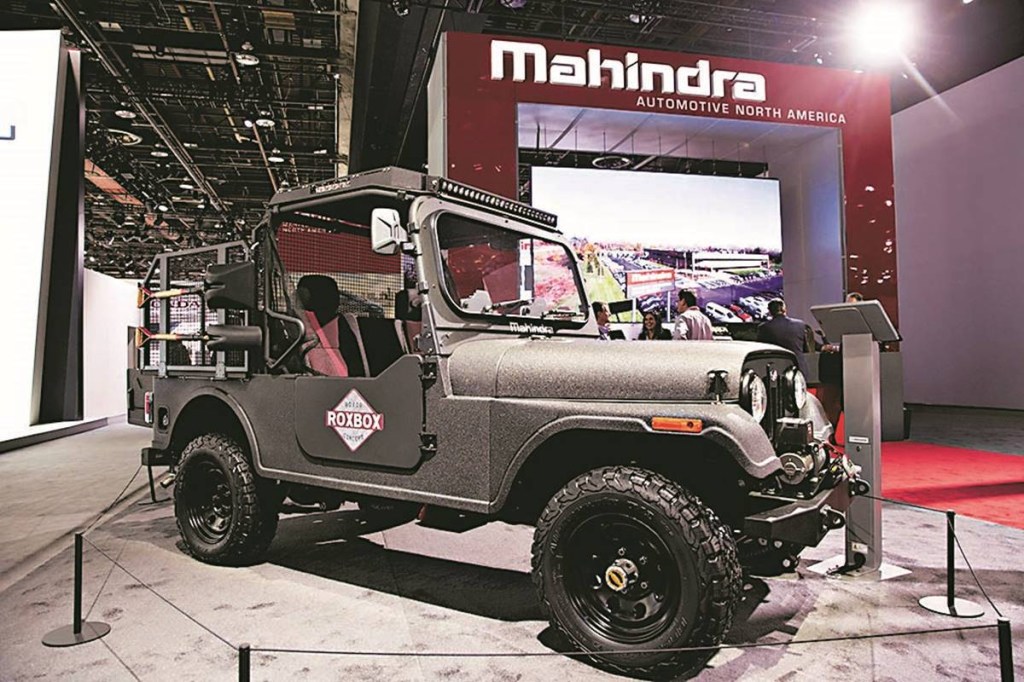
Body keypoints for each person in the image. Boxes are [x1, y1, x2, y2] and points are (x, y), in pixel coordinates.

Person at [756, 298, 811, 377]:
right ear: (784, 309)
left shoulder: (763, 328)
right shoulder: (800, 325)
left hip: (775, 372)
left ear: (770, 312)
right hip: (799, 370)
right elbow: (806, 348)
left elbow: (761, 350)